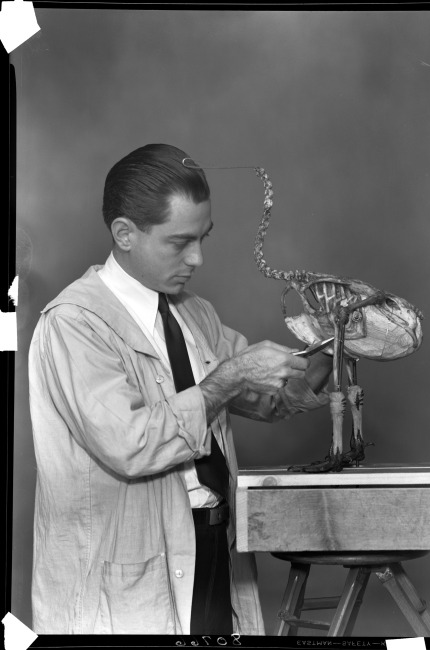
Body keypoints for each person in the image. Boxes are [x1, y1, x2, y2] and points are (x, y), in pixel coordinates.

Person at [28, 144, 332, 636]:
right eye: (179, 242)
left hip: (211, 550)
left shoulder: (194, 313)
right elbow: (130, 443)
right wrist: (230, 375)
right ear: (124, 234)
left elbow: (272, 397)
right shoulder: (74, 325)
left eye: (203, 238)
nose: (197, 258)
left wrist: (334, 344)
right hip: (125, 572)